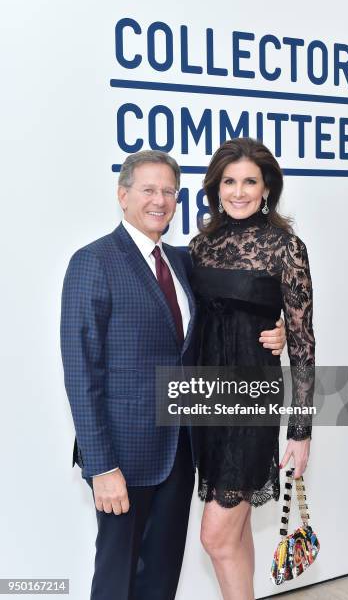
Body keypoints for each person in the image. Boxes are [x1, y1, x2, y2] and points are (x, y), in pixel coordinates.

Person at [60, 149, 286, 600]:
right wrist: (101, 464)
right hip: (124, 456)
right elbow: (81, 373)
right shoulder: (94, 262)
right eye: (148, 189)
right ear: (123, 196)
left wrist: (273, 328)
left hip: (181, 452)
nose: (159, 200)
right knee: (116, 577)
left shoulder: (185, 262)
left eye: (169, 191)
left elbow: (228, 312)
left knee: (161, 577)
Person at [189, 137, 315, 600]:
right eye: (229, 181)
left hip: (252, 400)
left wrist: (300, 432)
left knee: (215, 535)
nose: (238, 191)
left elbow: (302, 342)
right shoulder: (200, 246)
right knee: (234, 535)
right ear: (215, 188)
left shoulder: (286, 247)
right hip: (206, 397)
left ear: (267, 189)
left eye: (249, 181)